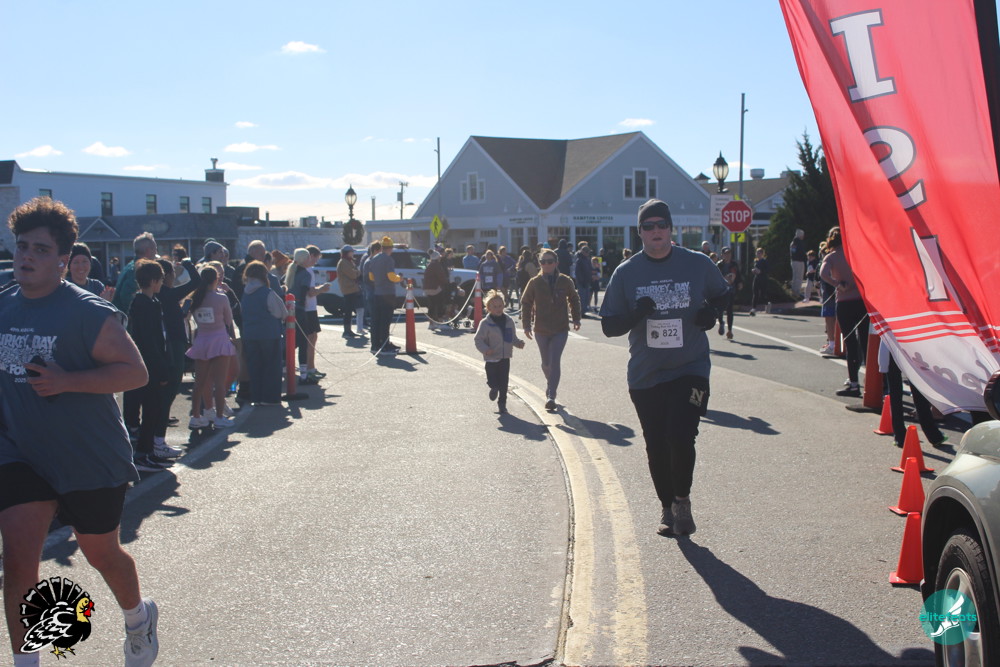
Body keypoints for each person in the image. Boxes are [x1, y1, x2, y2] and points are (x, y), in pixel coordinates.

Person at [0, 197, 159, 667]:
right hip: (20, 453)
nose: (27, 257)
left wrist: (67, 381)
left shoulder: (87, 312)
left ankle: (138, 619)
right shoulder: (3, 306)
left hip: (88, 456)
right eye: (22, 246)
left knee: (102, 554)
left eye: (41, 250)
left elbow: (135, 373)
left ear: (63, 259)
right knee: (19, 557)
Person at [600, 199, 731, 537]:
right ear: (640, 232)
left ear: (671, 229)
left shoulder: (697, 263)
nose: (656, 231)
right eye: (649, 226)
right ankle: (666, 506)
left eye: (661, 225)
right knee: (656, 443)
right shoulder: (626, 273)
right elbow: (609, 326)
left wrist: (711, 313)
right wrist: (636, 314)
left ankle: (682, 500)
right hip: (646, 374)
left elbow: (724, 294)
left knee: (681, 435)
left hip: (690, 367)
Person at [127, 259, 177, 471]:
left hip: (151, 362)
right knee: (150, 410)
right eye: (160, 280)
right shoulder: (143, 305)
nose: (162, 283)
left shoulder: (150, 302)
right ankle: (142, 454)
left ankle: (148, 452)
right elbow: (149, 341)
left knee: (154, 410)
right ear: (154, 281)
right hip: (149, 365)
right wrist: (162, 368)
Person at [520, 247, 581, 410]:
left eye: (550, 261)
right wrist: (526, 325)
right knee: (546, 364)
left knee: (554, 362)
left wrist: (576, 318)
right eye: (543, 262)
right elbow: (526, 303)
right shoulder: (534, 282)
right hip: (541, 329)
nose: (546, 265)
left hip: (560, 328)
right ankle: (551, 383)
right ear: (539, 263)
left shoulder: (565, 281)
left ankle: (551, 395)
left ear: (556, 263)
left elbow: (574, 298)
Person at [155, 256, 200, 449]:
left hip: (166, 343)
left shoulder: (157, 295)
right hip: (173, 344)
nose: (174, 276)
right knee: (171, 386)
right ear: (166, 276)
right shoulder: (168, 293)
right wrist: (188, 263)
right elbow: (197, 281)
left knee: (165, 390)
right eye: (173, 273)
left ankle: (158, 431)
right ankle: (158, 435)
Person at [185, 265, 238, 428]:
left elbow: (184, 316)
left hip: (201, 340)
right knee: (219, 382)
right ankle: (219, 417)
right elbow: (228, 320)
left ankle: (196, 416)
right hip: (220, 340)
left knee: (199, 382)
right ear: (215, 280)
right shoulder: (221, 298)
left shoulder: (193, 298)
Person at [819, 226, 869, 397]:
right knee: (865, 341)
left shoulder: (831, 257)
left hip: (844, 302)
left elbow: (823, 274)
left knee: (850, 343)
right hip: (861, 301)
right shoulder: (854, 253)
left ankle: (853, 383)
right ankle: (874, 382)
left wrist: (838, 284)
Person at [240, 261, 286, 406]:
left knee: (255, 366)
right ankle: (270, 397)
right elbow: (281, 312)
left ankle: (256, 397)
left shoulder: (245, 293)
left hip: (250, 334)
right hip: (269, 334)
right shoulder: (267, 292)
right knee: (271, 366)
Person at [474, 290, 525, 415]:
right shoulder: (485, 323)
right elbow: (478, 339)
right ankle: (493, 387)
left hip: (505, 357)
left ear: (504, 305)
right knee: (493, 380)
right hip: (491, 358)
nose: (498, 309)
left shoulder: (508, 321)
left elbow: (511, 337)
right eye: (495, 307)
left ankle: (502, 404)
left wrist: (518, 343)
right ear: (488, 308)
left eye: (500, 306)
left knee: (504, 383)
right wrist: (486, 349)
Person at [286, 248, 328, 383]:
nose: (312, 260)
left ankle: (288, 367)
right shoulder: (306, 273)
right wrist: (322, 289)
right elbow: (306, 292)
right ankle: (306, 373)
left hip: (291, 309)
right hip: (302, 310)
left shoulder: (291, 271)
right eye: (310, 257)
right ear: (305, 259)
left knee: (296, 340)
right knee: (305, 341)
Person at [367, 236, 405, 356]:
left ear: (382, 247)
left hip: (377, 293)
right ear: (391, 248)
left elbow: (371, 277)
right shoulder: (389, 260)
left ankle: (375, 345)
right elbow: (391, 276)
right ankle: (384, 346)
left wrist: (379, 280)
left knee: (376, 320)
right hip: (387, 294)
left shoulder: (373, 259)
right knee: (385, 321)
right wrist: (400, 278)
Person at [112, 231, 157, 313]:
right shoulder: (138, 270)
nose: (156, 253)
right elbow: (127, 296)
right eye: (155, 249)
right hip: (126, 318)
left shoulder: (130, 266)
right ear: (148, 251)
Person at [715, 247, 742, 340]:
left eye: (729, 253)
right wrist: (724, 278)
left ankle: (730, 330)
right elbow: (715, 276)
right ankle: (721, 322)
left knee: (730, 310)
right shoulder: (719, 265)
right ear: (722, 255)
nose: (728, 255)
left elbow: (738, 275)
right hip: (721, 290)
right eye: (726, 253)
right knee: (720, 309)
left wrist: (739, 282)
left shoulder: (734, 264)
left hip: (731, 290)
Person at [337, 245, 362, 338]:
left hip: (352, 288)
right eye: (351, 251)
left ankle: (349, 330)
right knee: (348, 311)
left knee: (350, 310)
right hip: (348, 289)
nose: (353, 253)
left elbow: (356, 271)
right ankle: (346, 331)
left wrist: (356, 272)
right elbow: (353, 274)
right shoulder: (344, 262)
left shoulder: (349, 261)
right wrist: (357, 272)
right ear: (347, 253)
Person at [817, 241, 837, 354]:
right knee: (831, 319)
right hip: (829, 294)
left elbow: (824, 276)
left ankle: (833, 344)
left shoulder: (830, 261)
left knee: (830, 319)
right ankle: (832, 342)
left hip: (831, 295)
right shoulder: (829, 261)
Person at [422, 249, 450, 330]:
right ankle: (441, 323)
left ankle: (431, 324)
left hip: (427, 289)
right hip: (436, 289)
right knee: (440, 305)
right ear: (437, 258)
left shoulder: (429, 265)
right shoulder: (437, 265)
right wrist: (447, 282)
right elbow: (442, 277)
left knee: (431, 306)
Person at [357, 241, 381, 336]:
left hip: (373, 291)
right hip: (372, 291)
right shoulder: (369, 261)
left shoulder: (370, 260)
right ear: (375, 250)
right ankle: (375, 337)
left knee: (375, 315)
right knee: (374, 314)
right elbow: (368, 278)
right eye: (380, 251)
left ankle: (376, 333)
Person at [574, 242, 593, 314]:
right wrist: (581, 281)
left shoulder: (587, 259)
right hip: (582, 282)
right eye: (587, 252)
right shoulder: (579, 260)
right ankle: (581, 311)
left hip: (586, 281)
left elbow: (589, 270)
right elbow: (578, 272)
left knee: (586, 296)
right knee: (582, 296)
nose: (588, 253)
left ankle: (584, 310)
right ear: (583, 252)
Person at [749, 247, 769, 316]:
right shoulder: (756, 261)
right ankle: (753, 308)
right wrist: (753, 270)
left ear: (762, 254)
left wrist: (761, 271)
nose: (758, 254)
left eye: (760, 253)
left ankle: (767, 304)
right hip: (756, 278)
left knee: (763, 294)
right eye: (757, 253)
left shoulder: (764, 261)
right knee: (755, 293)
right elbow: (755, 268)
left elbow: (767, 270)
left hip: (763, 279)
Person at [789, 228, 806, 300]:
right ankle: (796, 292)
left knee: (797, 277)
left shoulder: (794, 243)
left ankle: (795, 291)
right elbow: (795, 253)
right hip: (797, 261)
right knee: (798, 277)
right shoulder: (796, 243)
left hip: (797, 261)